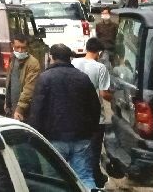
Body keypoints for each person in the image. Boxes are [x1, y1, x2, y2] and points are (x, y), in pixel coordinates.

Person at [29, 44, 101, 189]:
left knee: (53, 180)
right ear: (69, 58)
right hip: (81, 138)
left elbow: (37, 109)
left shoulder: (45, 78)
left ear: (51, 57)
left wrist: (35, 136)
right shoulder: (82, 78)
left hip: (53, 139)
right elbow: (95, 107)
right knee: (84, 176)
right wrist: (90, 131)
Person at [72, 38, 113, 189]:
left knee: (77, 150)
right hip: (95, 116)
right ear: (99, 53)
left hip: (76, 114)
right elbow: (103, 93)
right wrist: (113, 96)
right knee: (94, 150)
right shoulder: (100, 68)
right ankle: (95, 179)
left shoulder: (74, 63)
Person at [4, 33, 41, 121]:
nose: (20, 51)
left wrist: (20, 109)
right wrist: (7, 102)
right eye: (17, 47)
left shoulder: (33, 63)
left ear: (27, 47)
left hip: (25, 109)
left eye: (23, 48)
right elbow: (9, 82)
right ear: (12, 45)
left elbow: (29, 89)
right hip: (12, 105)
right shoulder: (12, 58)